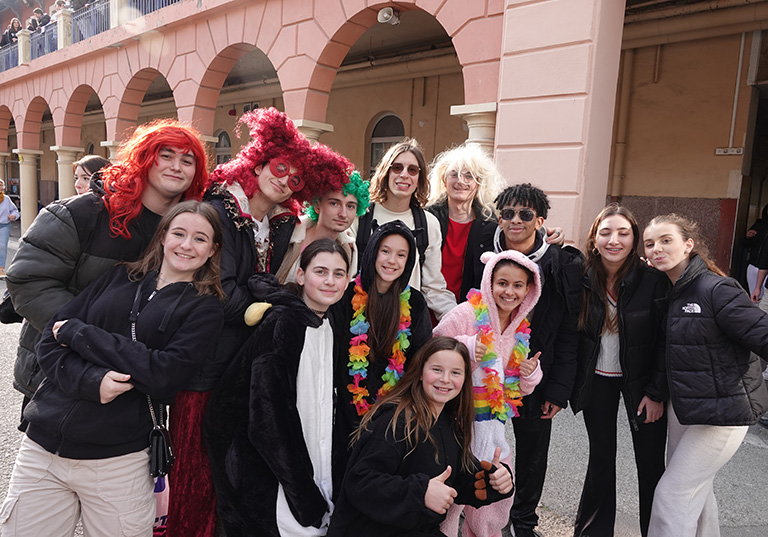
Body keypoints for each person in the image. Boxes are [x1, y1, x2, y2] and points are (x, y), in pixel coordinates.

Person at [0, 201, 225, 537]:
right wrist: (93, 381)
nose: (186, 245)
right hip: (44, 449)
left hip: (118, 460)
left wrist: (81, 333)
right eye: (178, 233)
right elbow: (50, 338)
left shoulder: (204, 308)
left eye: (199, 239)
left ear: (212, 250)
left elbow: (164, 374)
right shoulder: (120, 275)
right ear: (163, 236)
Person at [173, 108, 341, 537]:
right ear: (260, 160)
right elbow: (218, 293)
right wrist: (268, 304)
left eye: (296, 178)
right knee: (200, 482)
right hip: (207, 369)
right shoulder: (220, 209)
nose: (285, 180)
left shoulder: (281, 224)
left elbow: (272, 281)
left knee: (239, 480)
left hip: (246, 366)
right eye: (281, 168)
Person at [6, 119, 209, 420]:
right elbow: (29, 281)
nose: (176, 166)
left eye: (187, 160)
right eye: (166, 155)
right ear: (144, 158)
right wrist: (88, 341)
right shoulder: (82, 213)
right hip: (61, 370)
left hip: (132, 385)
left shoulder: (184, 233)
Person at [205, 239, 351, 537]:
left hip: (314, 462)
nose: (330, 281)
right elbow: (269, 421)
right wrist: (305, 500)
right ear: (301, 276)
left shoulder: (328, 322)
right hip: (274, 483)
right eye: (320, 271)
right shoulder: (283, 325)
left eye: (339, 274)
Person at [643, 213, 768, 537]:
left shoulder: (716, 289)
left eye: (666, 240)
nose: (657, 248)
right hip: (685, 409)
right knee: (696, 491)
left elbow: (762, 335)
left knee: (672, 496)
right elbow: (667, 351)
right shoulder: (669, 290)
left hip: (723, 414)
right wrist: (656, 393)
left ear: (688, 245)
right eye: (650, 243)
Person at [326, 336, 515, 537]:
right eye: (437, 370)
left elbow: (458, 478)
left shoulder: (448, 423)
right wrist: (421, 493)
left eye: (455, 372)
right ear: (420, 373)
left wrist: (494, 480)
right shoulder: (396, 421)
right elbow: (361, 483)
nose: (445, 379)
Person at [569, 205, 668, 537]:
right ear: (594, 239)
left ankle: (654, 531)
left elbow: (665, 341)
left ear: (634, 240)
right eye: (606, 232)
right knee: (601, 458)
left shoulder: (653, 281)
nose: (614, 240)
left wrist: (656, 392)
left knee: (651, 462)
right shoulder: (581, 276)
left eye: (623, 233)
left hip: (642, 384)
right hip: (597, 381)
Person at [491, 183, 583, 537]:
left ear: (540, 220)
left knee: (531, 453)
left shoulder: (559, 263)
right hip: (488, 373)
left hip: (535, 375)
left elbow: (568, 331)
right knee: (483, 443)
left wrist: (558, 390)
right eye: (509, 213)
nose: (516, 220)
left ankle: (524, 521)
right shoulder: (485, 251)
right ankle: (480, 512)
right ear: (499, 218)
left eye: (526, 214)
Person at [434, 249, 543, 537]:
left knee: (495, 498)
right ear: (488, 283)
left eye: (518, 285)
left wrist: (530, 374)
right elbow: (433, 348)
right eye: (502, 283)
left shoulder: (520, 329)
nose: (509, 292)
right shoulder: (467, 313)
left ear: (529, 290)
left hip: (493, 428)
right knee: (451, 497)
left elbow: (514, 389)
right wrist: (465, 346)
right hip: (456, 424)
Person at [330, 220, 433, 462]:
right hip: (346, 406)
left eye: (401, 254)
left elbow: (420, 358)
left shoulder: (415, 303)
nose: (391, 260)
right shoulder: (346, 295)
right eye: (385, 251)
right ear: (373, 251)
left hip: (393, 410)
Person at [355, 138, 456, 319]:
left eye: (412, 170)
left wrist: (460, 319)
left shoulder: (428, 224)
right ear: (385, 172)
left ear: (419, 178)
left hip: (404, 326)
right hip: (358, 319)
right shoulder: (360, 216)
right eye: (397, 167)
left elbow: (433, 288)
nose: (404, 175)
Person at [275, 169, 369, 284]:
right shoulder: (288, 234)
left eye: (350, 206)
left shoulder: (348, 248)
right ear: (317, 206)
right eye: (334, 203)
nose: (343, 214)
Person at [0, 178, 19, 278]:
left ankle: (1, 269)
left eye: (1, 185)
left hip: (4, 225)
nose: (0, 187)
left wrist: (14, 216)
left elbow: (15, 211)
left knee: (2, 246)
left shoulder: (6, 199)